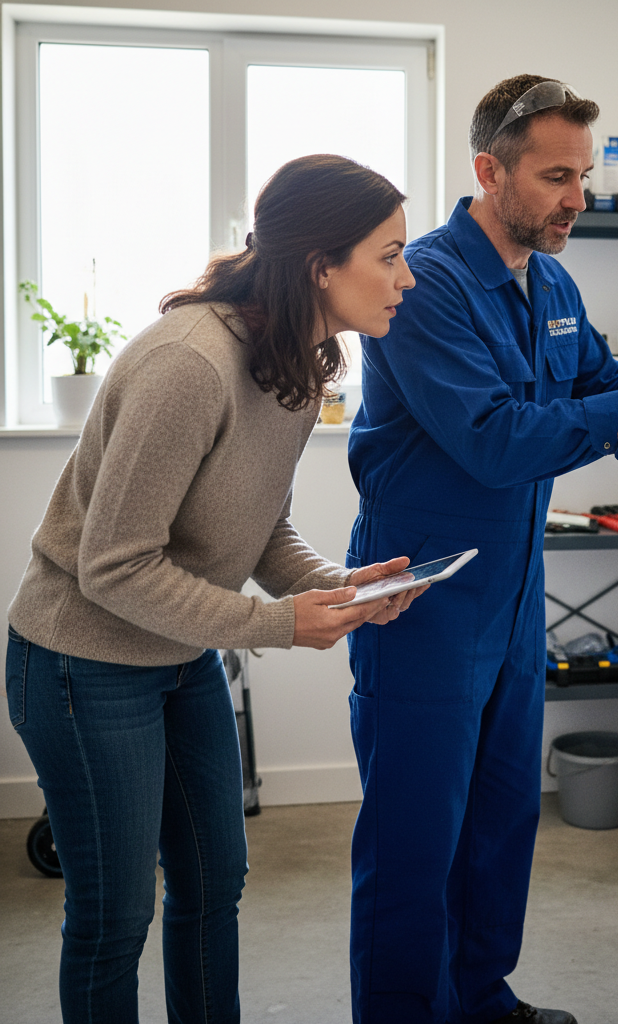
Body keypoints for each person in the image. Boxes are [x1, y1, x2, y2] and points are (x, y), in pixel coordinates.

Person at [344, 76, 618, 1024]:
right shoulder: (425, 281)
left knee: (500, 817)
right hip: (420, 594)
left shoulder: (554, 277)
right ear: (489, 170)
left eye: (582, 174)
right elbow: (497, 439)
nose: (577, 197)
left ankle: (482, 1000)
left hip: (513, 590)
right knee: (418, 838)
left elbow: (600, 397)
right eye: (555, 176)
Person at [4, 154, 421, 1024]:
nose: (405, 278)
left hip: (180, 655)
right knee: (117, 917)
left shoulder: (299, 363)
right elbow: (112, 565)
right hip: (82, 665)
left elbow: (257, 525)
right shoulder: (188, 366)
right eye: (388, 255)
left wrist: (335, 586)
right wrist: (276, 624)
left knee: (212, 884)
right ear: (320, 265)